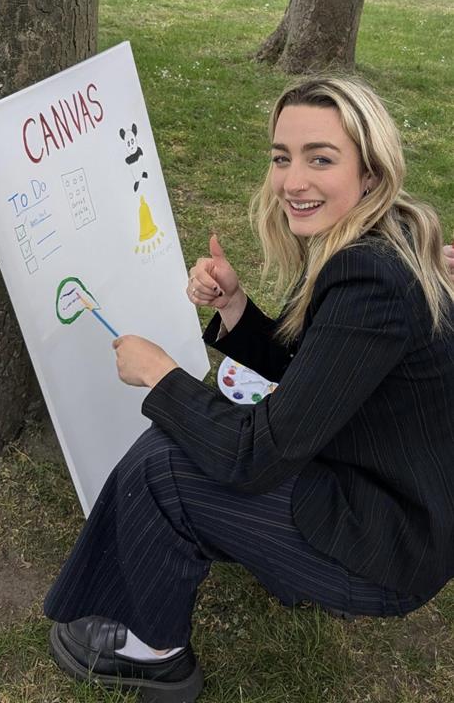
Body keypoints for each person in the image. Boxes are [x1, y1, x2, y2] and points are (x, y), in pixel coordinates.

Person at [44, 76, 454, 703]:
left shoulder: (368, 278)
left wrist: (161, 375)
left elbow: (255, 455)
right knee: (187, 439)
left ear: (370, 172)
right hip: (392, 503)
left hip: (389, 546)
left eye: (321, 158)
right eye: (281, 156)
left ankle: (155, 657)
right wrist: (237, 311)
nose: (293, 180)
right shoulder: (380, 240)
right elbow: (318, 376)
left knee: (166, 465)